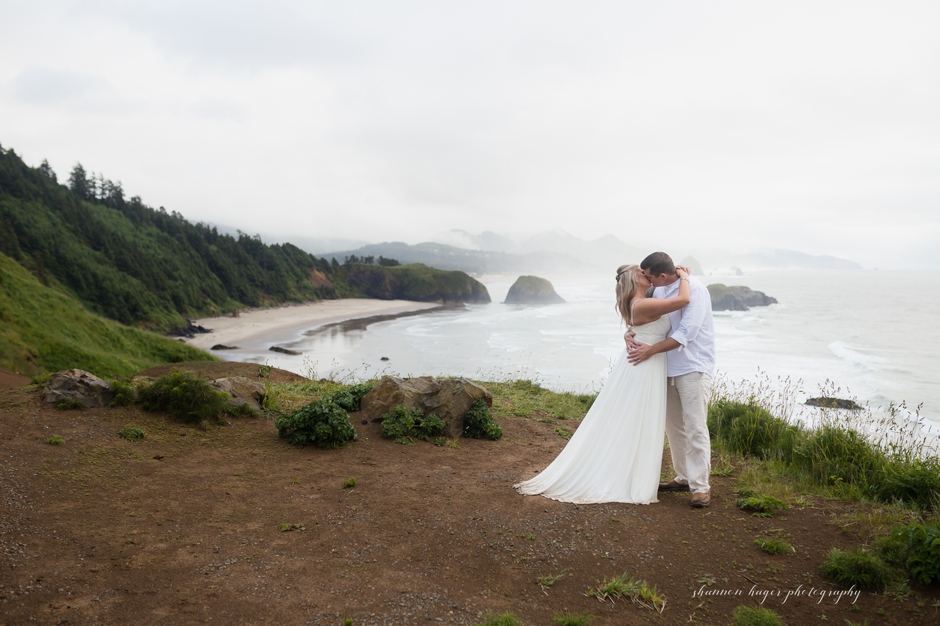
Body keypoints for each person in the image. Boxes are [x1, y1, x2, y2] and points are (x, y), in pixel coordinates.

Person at [514, 263, 690, 504]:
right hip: (643, 366)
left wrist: (628, 332)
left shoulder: (642, 301)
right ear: (633, 280)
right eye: (642, 273)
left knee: (635, 420)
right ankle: (622, 476)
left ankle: (630, 473)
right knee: (635, 420)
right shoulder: (643, 304)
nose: (647, 275)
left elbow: (645, 321)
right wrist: (684, 277)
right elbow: (683, 300)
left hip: (645, 363)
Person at [627, 252, 716, 508]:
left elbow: (686, 333)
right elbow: (646, 320)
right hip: (666, 367)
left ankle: (701, 487)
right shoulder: (660, 291)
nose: (647, 280)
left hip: (692, 366)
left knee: (696, 427)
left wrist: (650, 351)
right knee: (673, 427)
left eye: (649, 276)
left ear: (662, 275)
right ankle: (684, 477)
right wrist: (629, 334)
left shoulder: (695, 290)